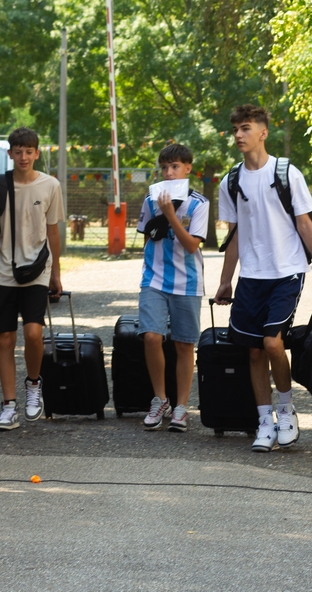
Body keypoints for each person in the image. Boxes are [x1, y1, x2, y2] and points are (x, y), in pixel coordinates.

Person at [214, 104, 312, 452]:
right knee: (253, 352)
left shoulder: (287, 173)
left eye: (246, 128)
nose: (239, 135)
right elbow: (234, 235)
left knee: (271, 343)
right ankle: (264, 422)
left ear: (263, 132)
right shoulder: (230, 181)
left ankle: (286, 411)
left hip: (287, 271)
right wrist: (226, 280)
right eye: (235, 129)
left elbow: (304, 224)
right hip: (252, 275)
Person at [0, 127, 63, 430]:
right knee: (5, 338)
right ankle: (8, 406)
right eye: (18, 151)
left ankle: (33, 384)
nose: (23, 157)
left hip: (37, 271)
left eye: (29, 151)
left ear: (37, 153)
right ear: (10, 153)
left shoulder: (50, 185)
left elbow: (53, 231)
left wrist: (56, 273)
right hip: (2, 273)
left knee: (33, 333)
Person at [136, 144, 208, 432]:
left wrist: (170, 215)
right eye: (165, 167)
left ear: (188, 169)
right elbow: (147, 237)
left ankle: (181, 406)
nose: (169, 172)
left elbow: (191, 246)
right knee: (151, 336)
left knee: (183, 343)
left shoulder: (199, 204)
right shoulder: (149, 199)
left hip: (187, 282)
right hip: (153, 279)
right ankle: (160, 399)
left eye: (175, 166)